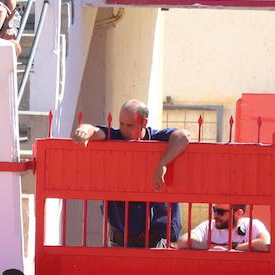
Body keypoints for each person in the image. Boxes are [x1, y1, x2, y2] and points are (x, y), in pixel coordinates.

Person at [73, 99, 189, 248]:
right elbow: (95, 131)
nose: (123, 129)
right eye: (121, 123)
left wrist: (162, 164)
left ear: (144, 123)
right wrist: (84, 130)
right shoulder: (115, 137)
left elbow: (184, 136)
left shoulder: (157, 138)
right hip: (121, 238)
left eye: (129, 125)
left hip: (155, 239)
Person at [181, 203, 270, 251]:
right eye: (215, 210)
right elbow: (183, 241)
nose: (215, 215)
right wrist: (212, 248)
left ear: (238, 213)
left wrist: (230, 249)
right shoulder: (208, 226)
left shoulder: (252, 225)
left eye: (220, 212)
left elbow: (266, 244)